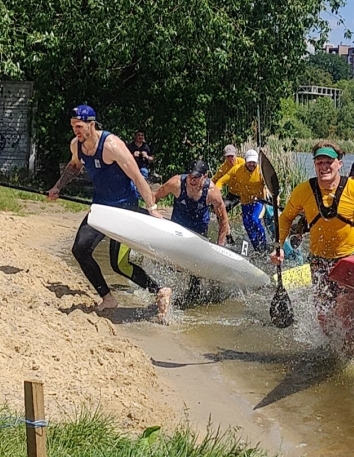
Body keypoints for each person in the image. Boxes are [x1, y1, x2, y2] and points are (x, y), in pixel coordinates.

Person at [47, 105, 172, 321]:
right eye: (73, 126)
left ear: (91, 124)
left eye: (79, 126)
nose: (76, 130)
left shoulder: (112, 145)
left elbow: (137, 177)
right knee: (80, 249)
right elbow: (74, 166)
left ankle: (160, 290)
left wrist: (152, 209)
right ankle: (108, 298)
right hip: (102, 208)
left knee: (119, 264)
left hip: (125, 211)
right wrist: (58, 186)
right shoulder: (76, 145)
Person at [270, 141, 354, 355]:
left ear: (339, 164)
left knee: (344, 312)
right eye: (319, 162)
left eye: (329, 162)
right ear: (315, 165)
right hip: (318, 261)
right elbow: (286, 217)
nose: (324, 167)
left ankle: (350, 353)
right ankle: (333, 351)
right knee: (323, 318)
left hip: (348, 261)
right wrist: (278, 246)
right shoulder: (303, 190)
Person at [154, 160, 231, 305]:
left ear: (205, 176)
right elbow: (155, 196)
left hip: (199, 232)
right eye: (190, 176)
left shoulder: (212, 193)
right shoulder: (176, 183)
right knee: (171, 266)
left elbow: (223, 222)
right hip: (177, 229)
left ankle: (194, 296)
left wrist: (220, 247)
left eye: (196, 177)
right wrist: (154, 213)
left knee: (195, 275)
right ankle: (165, 291)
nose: (192, 180)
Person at [215, 149, 269, 252]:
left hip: (259, 202)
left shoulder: (261, 172)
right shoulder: (237, 169)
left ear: (257, 162)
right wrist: (217, 191)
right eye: (249, 162)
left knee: (254, 220)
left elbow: (270, 185)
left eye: (254, 162)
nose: (251, 165)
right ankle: (257, 248)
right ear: (245, 161)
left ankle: (264, 246)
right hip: (245, 203)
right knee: (247, 224)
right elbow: (221, 181)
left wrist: (271, 193)